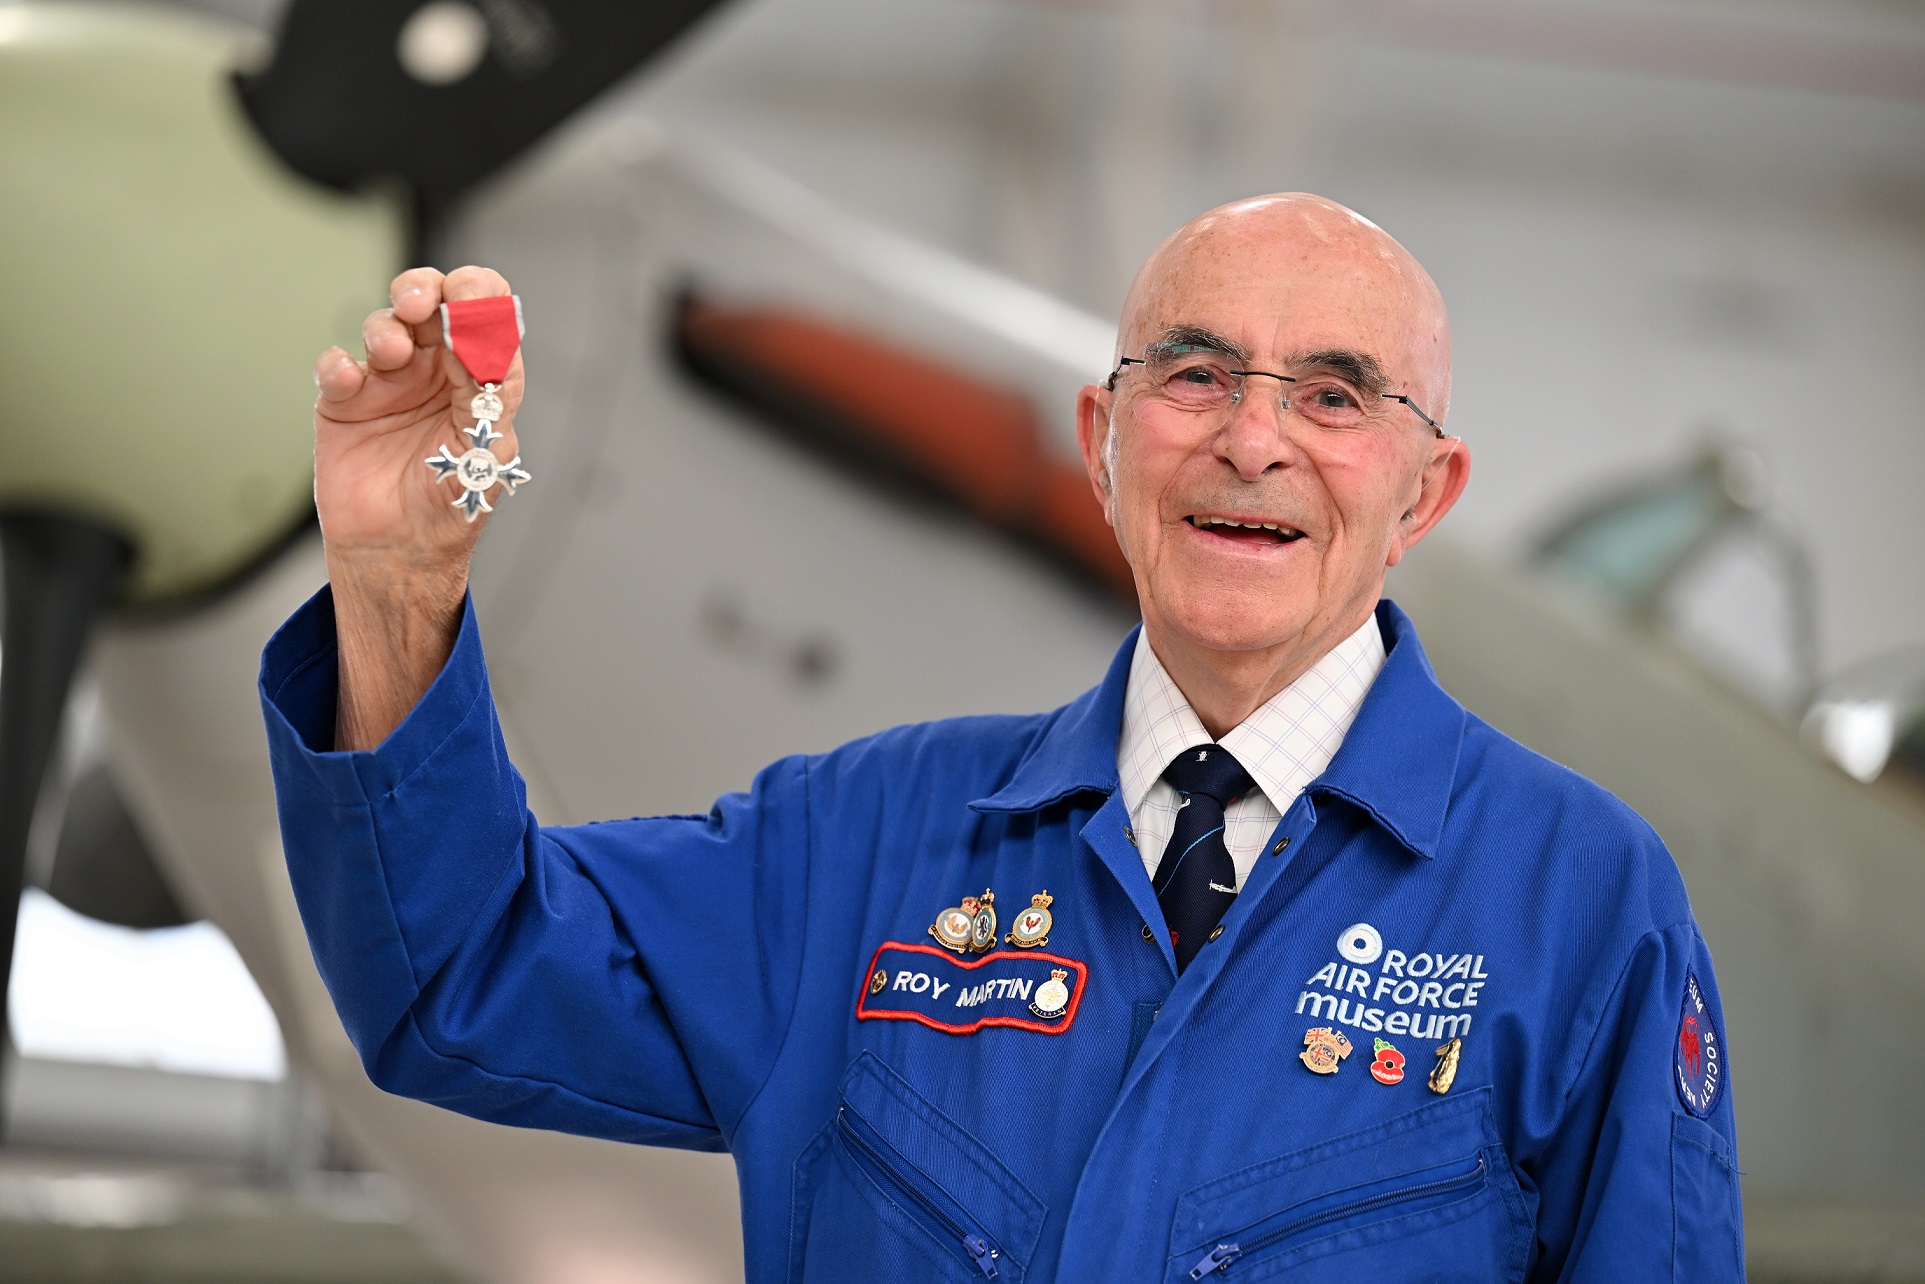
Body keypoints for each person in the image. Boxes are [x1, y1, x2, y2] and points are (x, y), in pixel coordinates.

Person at [262, 194, 1744, 1280]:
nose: (1250, 437)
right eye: (1194, 373)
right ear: (1102, 445)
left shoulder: (1580, 903)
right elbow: (457, 979)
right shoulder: (862, 845)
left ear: (1423, 493)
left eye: (1337, 394)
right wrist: (397, 587)